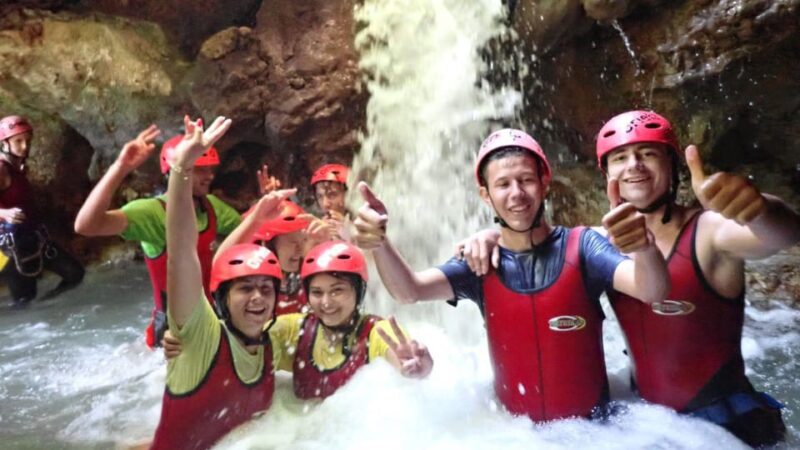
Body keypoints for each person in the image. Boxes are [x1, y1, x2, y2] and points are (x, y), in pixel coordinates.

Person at [457, 112, 799, 446]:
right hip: (645, 422)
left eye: (647, 154)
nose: (634, 165)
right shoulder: (599, 242)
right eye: (620, 158)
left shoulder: (709, 231)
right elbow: (538, 242)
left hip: (725, 424)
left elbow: (783, 234)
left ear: (673, 166)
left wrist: (759, 210)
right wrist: (489, 236)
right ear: (607, 175)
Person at [351, 128, 670, 422]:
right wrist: (379, 243)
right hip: (515, 437)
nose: (516, 193)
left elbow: (651, 290)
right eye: (503, 184)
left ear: (545, 182)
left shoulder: (584, 247)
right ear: (485, 195)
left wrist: (644, 248)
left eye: (526, 180)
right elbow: (410, 291)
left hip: (594, 433)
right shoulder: (479, 262)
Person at [149, 115, 292, 450]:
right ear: (222, 299)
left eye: (266, 289)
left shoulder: (275, 336)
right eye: (245, 289)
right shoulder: (200, 338)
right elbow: (183, 253)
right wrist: (183, 167)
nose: (258, 298)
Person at [165, 239, 433, 400]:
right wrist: (187, 341)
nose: (326, 303)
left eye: (337, 291)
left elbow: (400, 355)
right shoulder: (293, 329)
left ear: (358, 292)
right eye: (317, 293)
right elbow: (237, 336)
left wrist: (417, 368)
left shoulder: (378, 330)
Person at [74, 123, 241, 348]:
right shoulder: (152, 212)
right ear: (177, 171)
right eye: (200, 169)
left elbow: (245, 228)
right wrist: (120, 168)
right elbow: (87, 225)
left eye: (210, 169)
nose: (210, 176)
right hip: (172, 334)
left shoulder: (210, 206)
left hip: (209, 317)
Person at [0, 115, 84, 308]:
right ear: (4, 143)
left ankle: (48, 306)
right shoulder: (2, 169)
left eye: (27, 141)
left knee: (74, 273)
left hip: (34, 239)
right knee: (24, 301)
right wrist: (4, 214)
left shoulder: (18, 167)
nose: (24, 146)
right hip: (7, 248)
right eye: (18, 141)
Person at [244, 199, 312, 315]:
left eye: (303, 241)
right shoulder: (245, 286)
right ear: (265, 243)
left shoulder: (299, 277)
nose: (300, 250)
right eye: (293, 242)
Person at [309, 163, 350, 240]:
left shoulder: (366, 223)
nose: (325, 204)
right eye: (320, 197)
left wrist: (347, 231)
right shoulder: (316, 228)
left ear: (348, 194)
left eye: (332, 195)